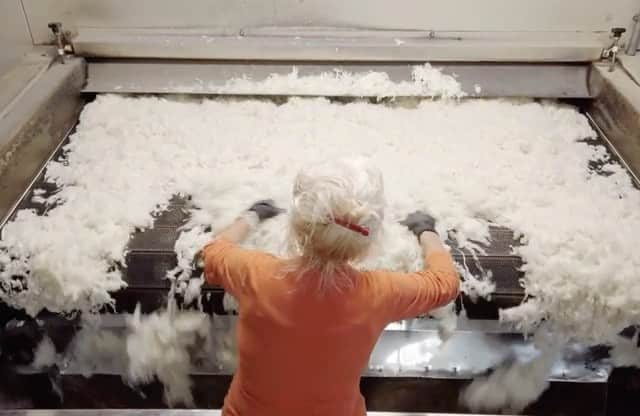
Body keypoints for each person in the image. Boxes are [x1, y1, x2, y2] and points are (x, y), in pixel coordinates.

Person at [198, 158, 460, 416]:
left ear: (296, 225)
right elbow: (445, 283)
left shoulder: (257, 275)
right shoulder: (379, 293)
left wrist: (252, 216)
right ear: (369, 239)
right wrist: (426, 231)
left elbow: (212, 251)